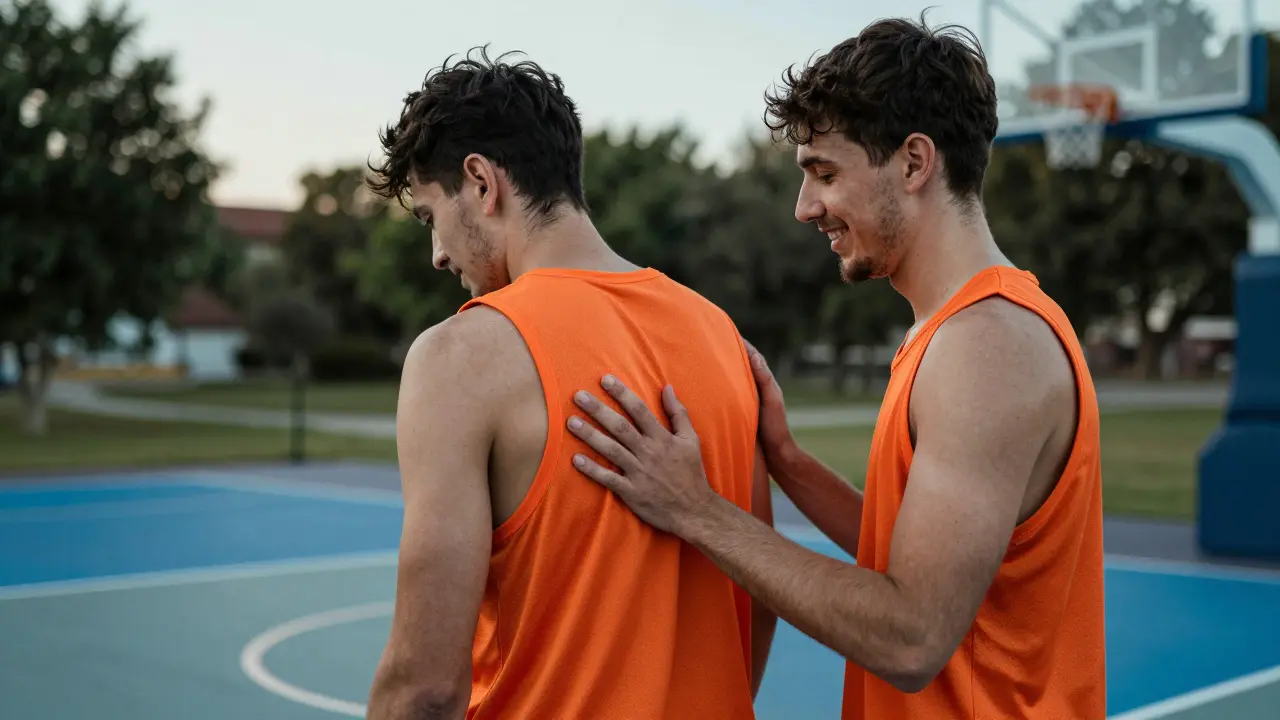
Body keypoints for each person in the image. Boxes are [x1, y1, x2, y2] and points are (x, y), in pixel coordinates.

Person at [564, 16, 1107, 720]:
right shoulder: (952, 333)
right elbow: (914, 557)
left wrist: (694, 510)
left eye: (825, 173)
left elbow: (910, 636)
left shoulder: (987, 347)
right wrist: (789, 462)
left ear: (914, 164)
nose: (805, 207)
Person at [361, 47, 777, 720]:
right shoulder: (721, 334)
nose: (437, 253)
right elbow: (758, 598)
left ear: (482, 183)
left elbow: (426, 686)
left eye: (431, 217)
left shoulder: (460, 357)